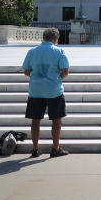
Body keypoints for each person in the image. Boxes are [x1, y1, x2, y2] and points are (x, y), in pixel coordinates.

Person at [22, 27, 70, 158]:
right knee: (56, 120)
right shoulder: (59, 51)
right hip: (54, 90)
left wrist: (37, 78)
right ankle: (55, 148)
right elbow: (65, 71)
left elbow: (26, 70)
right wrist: (57, 79)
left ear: (43, 38)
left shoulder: (32, 51)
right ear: (56, 39)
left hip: (35, 90)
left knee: (35, 120)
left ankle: (35, 149)